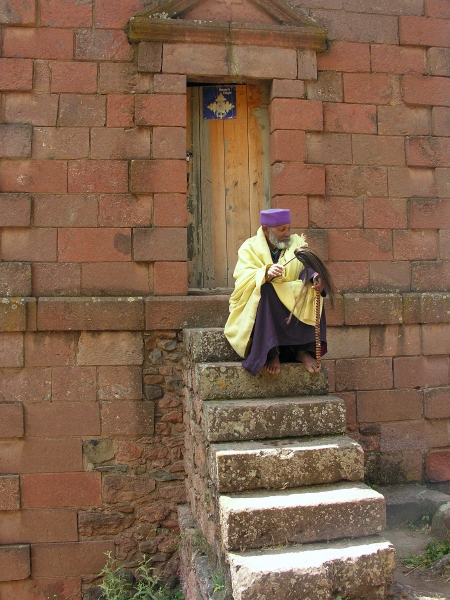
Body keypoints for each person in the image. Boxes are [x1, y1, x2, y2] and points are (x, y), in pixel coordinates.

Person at [224, 208, 334, 376]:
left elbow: (305, 267)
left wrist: (315, 277)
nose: (287, 234)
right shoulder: (249, 248)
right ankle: (272, 352)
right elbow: (243, 276)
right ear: (266, 230)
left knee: (313, 290)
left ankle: (302, 351)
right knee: (266, 290)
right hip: (267, 297)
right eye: (281, 229)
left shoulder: (297, 243)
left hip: (292, 294)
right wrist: (265, 273)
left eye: (289, 228)